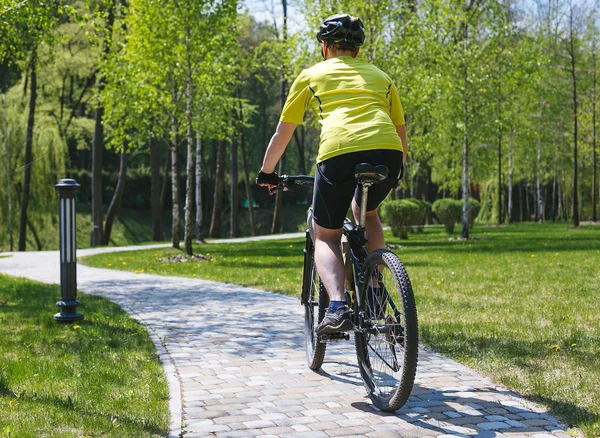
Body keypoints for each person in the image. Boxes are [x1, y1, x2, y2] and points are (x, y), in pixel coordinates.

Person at [256, 14, 409, 335]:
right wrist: (398, 169)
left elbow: (282, 134)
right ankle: (376, 288)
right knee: (368, 211)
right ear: (357, 49)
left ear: (325, 46)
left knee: (326, 233)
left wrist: (267, 172)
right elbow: (400, 133)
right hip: (389, 153)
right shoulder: (383, 77)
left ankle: (337, 306)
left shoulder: (311, 75)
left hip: (340, 150)